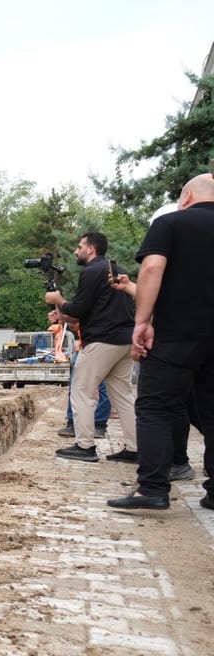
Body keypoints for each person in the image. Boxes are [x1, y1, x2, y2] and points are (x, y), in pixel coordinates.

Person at [108, 177, 214, 510]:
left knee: (155, 407)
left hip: (175, 335)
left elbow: (153, 267)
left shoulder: (171, 223)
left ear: (187, 197)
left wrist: (142, 322)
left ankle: (152, 488)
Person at [45, 231, 137, 463]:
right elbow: (96, 310)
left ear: (91, 249)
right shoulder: (118, 269)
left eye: (79, 246)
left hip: (102, 341)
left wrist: (57, 299)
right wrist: (64, 318)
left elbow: (78, 308)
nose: (76, 251)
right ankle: (136, 448)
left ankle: (85, 446)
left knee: (81, 391)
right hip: (125, 340)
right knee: (124, 396)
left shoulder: (91, 271)